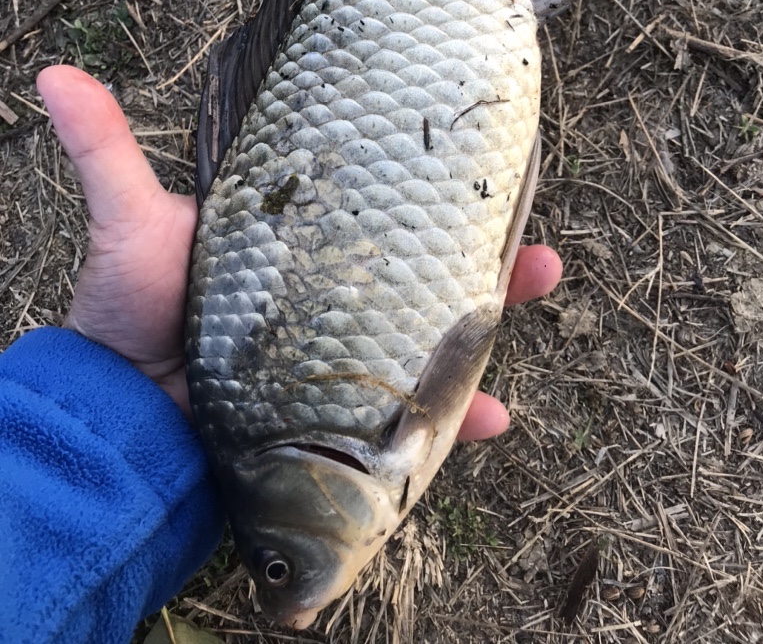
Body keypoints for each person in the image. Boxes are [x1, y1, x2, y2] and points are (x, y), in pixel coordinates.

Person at [0, 66, 562, 644]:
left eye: (280, 567)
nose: (287, 594)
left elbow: (466, 343)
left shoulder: (370, 446)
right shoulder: (223, 419)